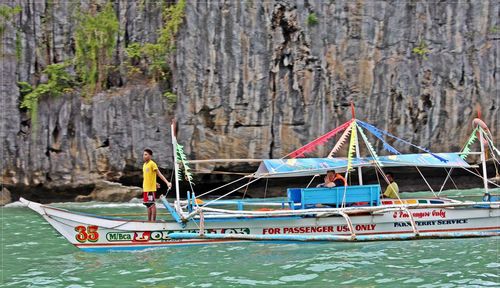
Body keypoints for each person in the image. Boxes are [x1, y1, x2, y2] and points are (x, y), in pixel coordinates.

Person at [143, 148, 172, 221]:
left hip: (150, 189)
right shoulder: (144, 165)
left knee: (152, 204)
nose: (144, 156)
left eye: (146, 154)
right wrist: (155, 182)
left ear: (150, 156)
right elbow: (148, 176)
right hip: (145, 188)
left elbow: (159, 174)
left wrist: (167, 182)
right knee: (148, 205)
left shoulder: (152, 164)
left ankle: (153, 221)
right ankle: (149, 221)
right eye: (143, 155)